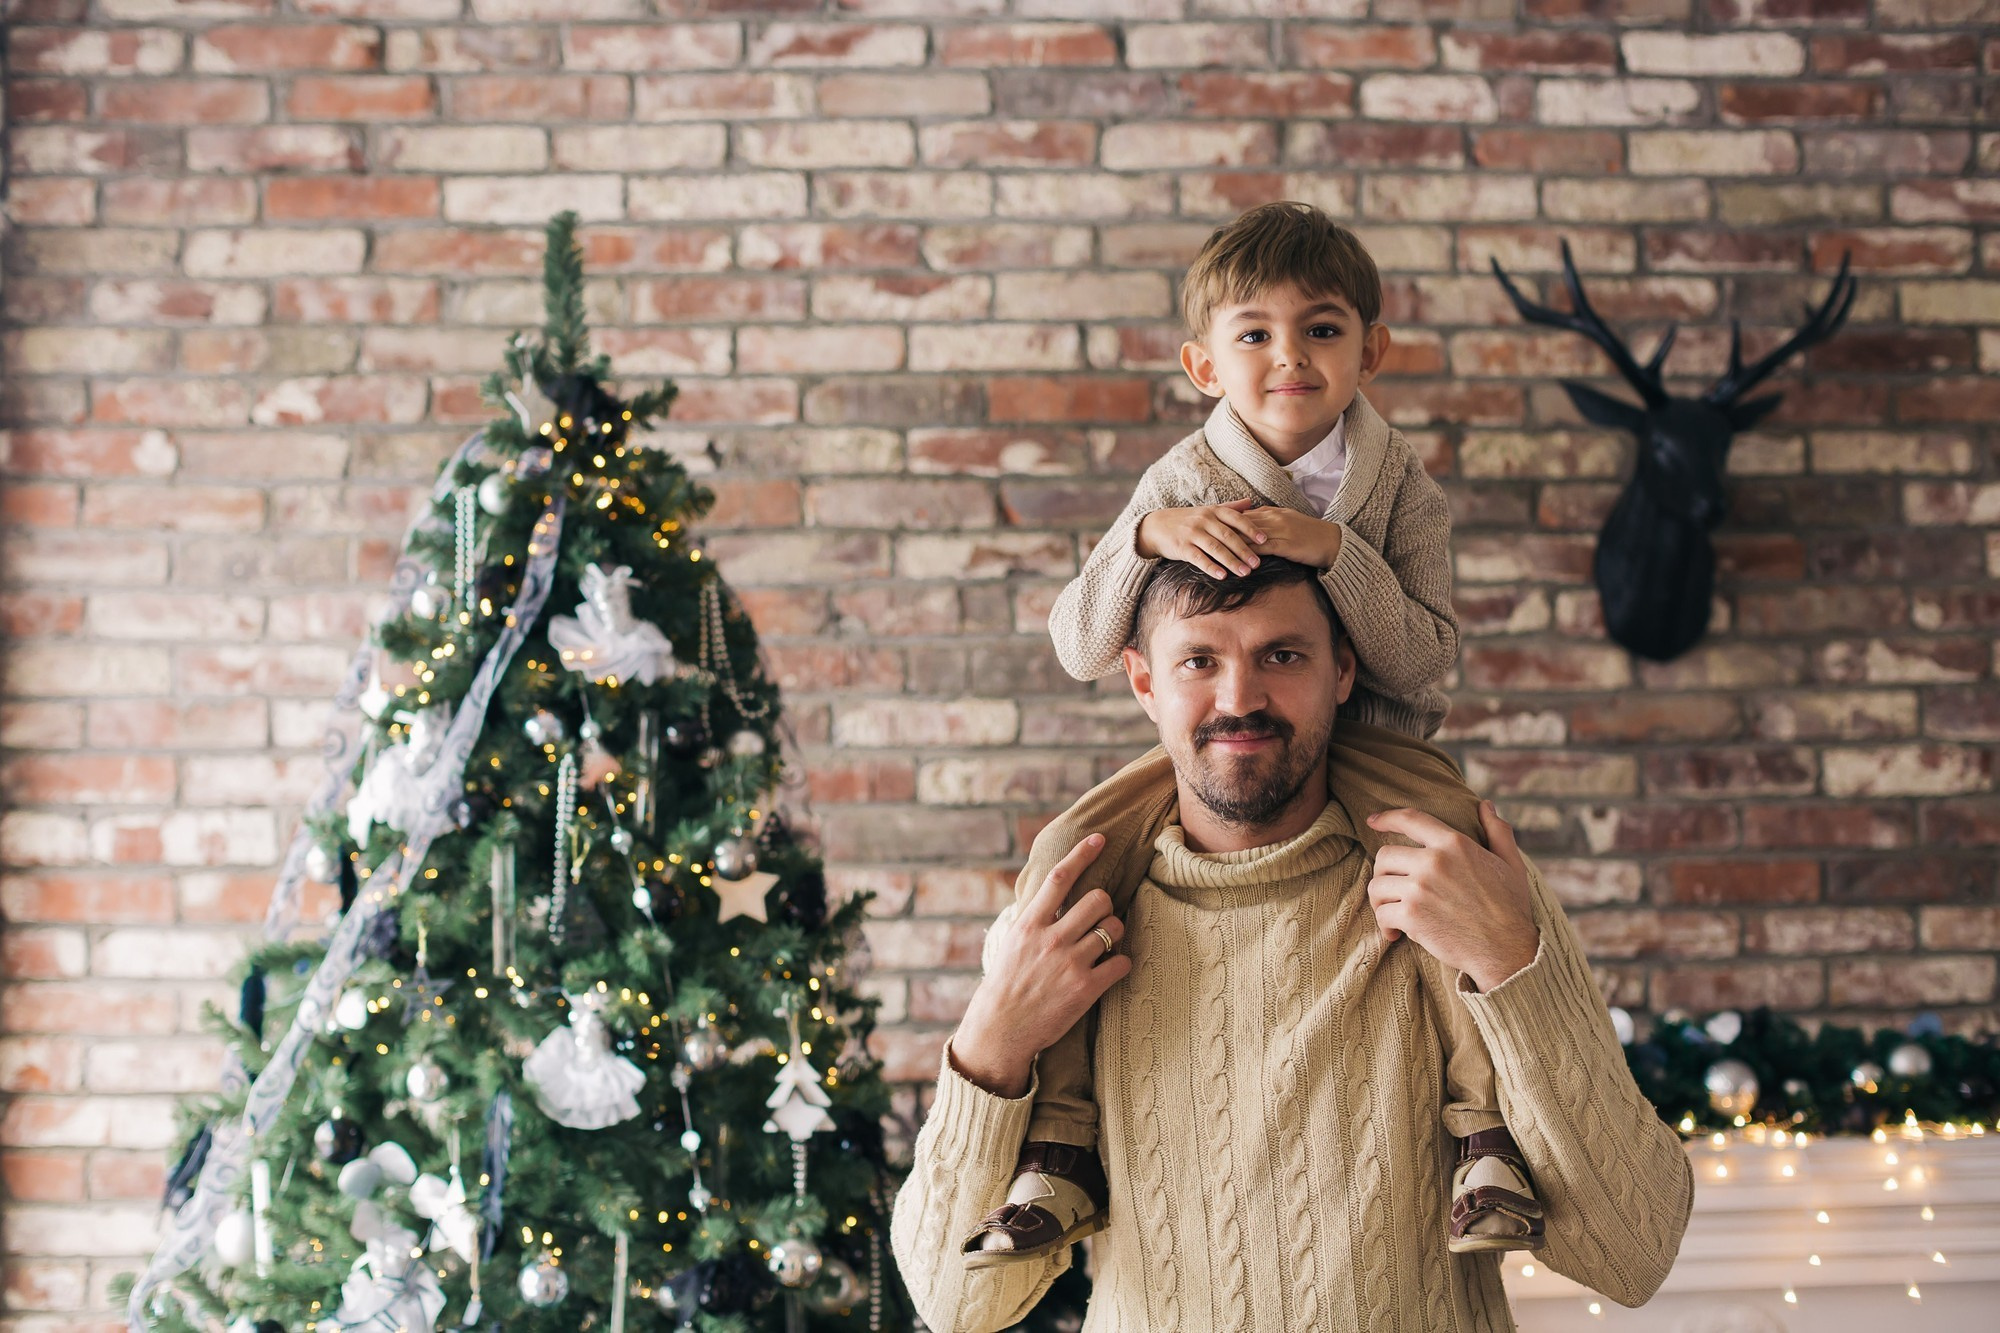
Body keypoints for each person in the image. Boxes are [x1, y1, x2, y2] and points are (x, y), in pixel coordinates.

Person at [889, 558, 1694, 1331]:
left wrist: (1511, 961)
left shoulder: (1461, 885)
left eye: (1281, 654)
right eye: (1198, 659)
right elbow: (957, 1305)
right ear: (1144, 681)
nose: (1240, 697)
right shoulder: (1077, 921)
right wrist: (993, 1038)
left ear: (1341, 671)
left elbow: (1632, 1255)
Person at [968, 199, 1528, 1266]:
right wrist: (1141, 538)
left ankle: (1481, 1134)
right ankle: (1061, 1148)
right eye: (1253, 334)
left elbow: (1419, 657)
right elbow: (1079, 644)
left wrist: (1332, 553)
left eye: (1320, 330)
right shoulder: (1178, 482)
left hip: (1367, 747)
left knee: (1450, 863)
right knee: (1069, 862)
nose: (1288, 358)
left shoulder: (1401, 489)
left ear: (1372, 348)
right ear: (1203, 364)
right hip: (1224, 745)